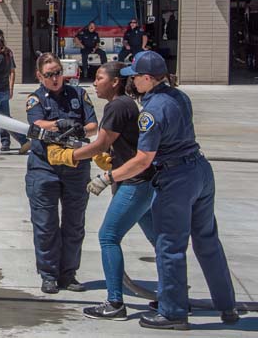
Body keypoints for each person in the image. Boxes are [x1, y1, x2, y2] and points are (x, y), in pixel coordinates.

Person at [86, 51, 238, 330]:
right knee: (207, 241)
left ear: (147, 78)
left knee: (170, 246)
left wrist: (109, 176)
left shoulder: (152, 112)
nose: (132, 81)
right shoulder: (180, 97)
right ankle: (227, 305)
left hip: (176, 179)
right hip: (201, 171)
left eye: (135, 76)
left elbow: (143, 160)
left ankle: (173, 312)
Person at [45, 61, 156, 320]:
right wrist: (108, 155)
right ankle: (173, 297)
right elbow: (112, 145)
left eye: (99, 77)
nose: (94, 83)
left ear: (115, 82)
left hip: (133, 183)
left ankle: (115, 303)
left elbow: (101, 143)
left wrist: (68, 155)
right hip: (142, 181)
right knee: (159, 240)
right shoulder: (125, 104)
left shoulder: (117, 106)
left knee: (108, 237)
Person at [24, 52, 98, 294]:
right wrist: (59, 124)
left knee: (74, 224)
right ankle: (48, 274)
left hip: (76, 167)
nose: (55, 78)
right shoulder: (35, 99)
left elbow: (92, 124)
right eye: (49, 75)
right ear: (39, 76)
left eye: (58, 73)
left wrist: (78, 127)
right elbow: (36, 124)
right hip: (44, 168)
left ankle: (69, 274)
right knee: (45, 224)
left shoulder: (78, 94)